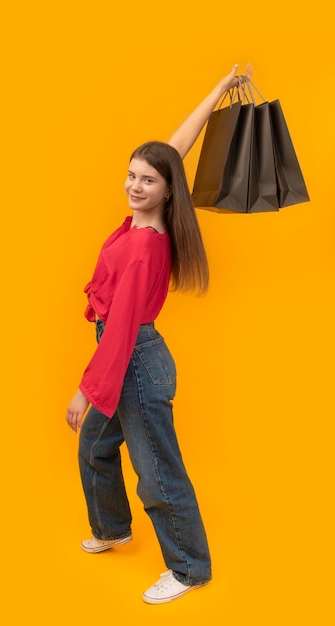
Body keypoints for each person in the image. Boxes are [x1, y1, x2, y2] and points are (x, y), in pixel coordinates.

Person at [66, 63, 252, 604]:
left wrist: (85, 387)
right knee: (96, 448)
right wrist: (218, 91)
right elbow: (176, 147)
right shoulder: (145, 214)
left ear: (168, 192)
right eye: (131, 175)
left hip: (136, 362)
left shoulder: (148, 243)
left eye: (147, 180)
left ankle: (190, 568)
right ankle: (113, 529)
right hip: (123, 352)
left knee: (157, 472)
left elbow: (121, 331)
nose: (134, 185)